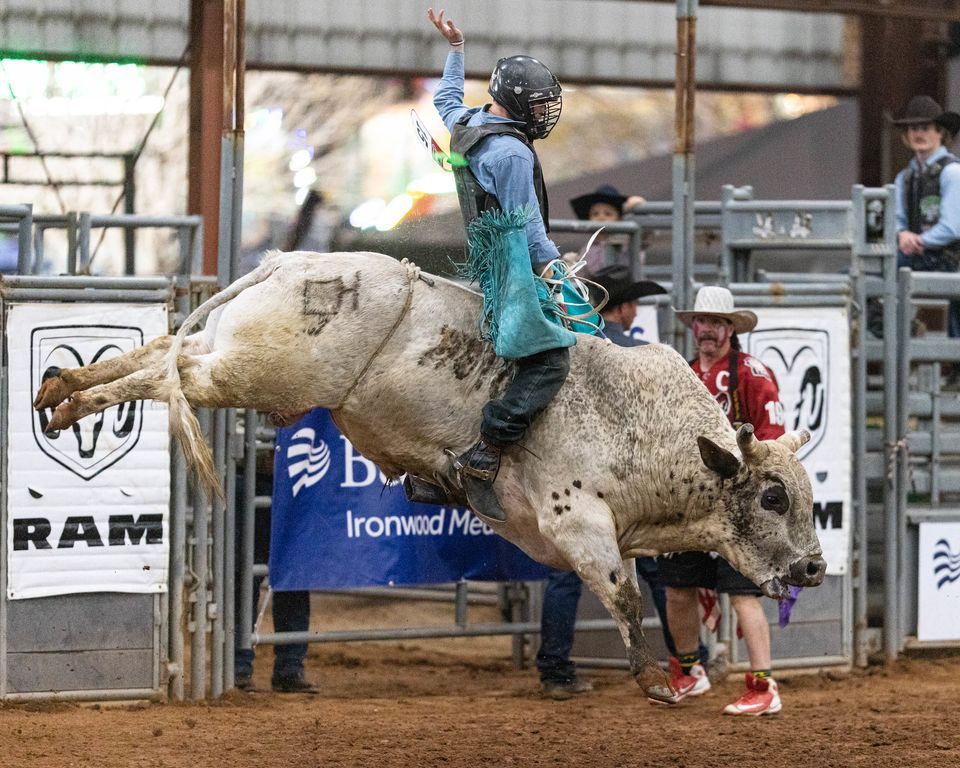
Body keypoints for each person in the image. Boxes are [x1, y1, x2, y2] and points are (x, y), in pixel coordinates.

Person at [427, 8, 571, 523]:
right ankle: (486, 450)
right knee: (552, 361)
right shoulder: (511, 154)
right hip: (510, 273)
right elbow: (527, 228)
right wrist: (558, 272)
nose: (544, 113)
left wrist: (456, 51)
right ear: (513, 103)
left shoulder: (470, 123)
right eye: (537, 104)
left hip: (484, 262)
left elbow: (445, 101)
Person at [535, 266, 702, 699]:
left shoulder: (570, 347)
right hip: (632, 484)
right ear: (625, 308)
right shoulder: (640, 355)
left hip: (574, 476)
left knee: (568, 573)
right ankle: (686, 662)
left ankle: (555, 668)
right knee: (653, 568)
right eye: (634, 305)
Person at [660, 286, 786, 715]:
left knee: (742, 593)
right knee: (677, 586)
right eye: (701, 321)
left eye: (715, 322)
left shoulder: (752, 372)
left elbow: (772, 441)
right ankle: (690, 671)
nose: (706, 330)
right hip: (693, 502)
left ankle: (764, 684)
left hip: (740, 505)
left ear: (730, 328)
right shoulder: (684, 373)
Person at [233, 453, 317, 694]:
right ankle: (238, 667)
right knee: (244, 574)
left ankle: (290, 668)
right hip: (250, 472)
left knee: (293, 574)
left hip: (296, 473)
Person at [892, 96, 960, 350]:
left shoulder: (952, 172)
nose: (918, 133)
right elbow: (897, 220)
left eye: (925, 128)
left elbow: (953, 227)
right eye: (913, 128)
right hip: (918, 255)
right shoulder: (905, 176)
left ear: (940, 133)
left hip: (949, 257)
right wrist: (902, 235)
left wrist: (917, 240)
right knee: (867, 274)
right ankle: (899, 330)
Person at [569, 185, 645, 276]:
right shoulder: (587, 249)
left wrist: (638, 207)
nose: (601, 217)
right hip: (597, 288)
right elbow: (581, 278)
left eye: (608, 214)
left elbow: (645, 233)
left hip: (625, 286)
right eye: (595, 214)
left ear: (620, 219)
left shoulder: (627, 239)